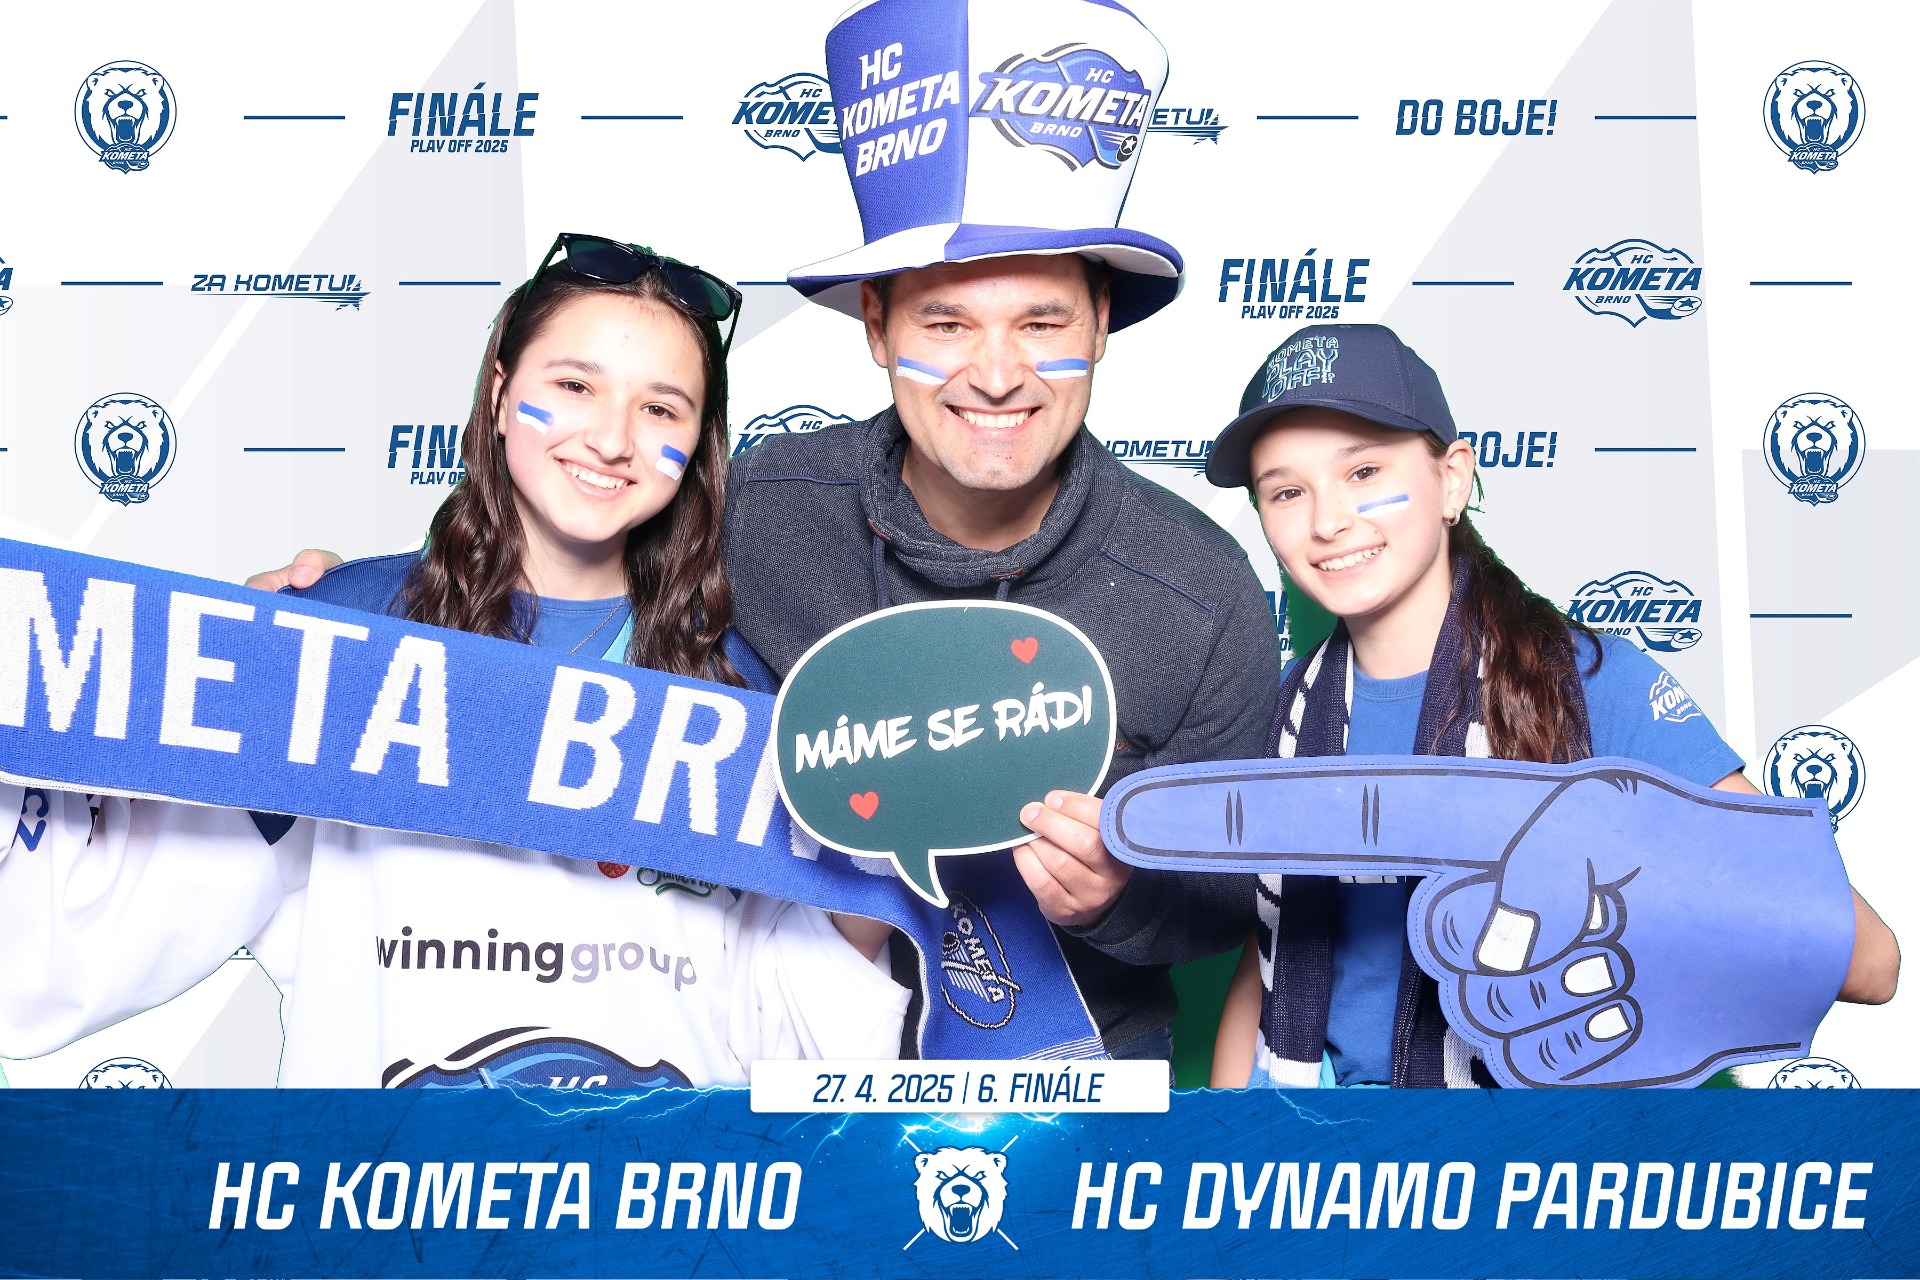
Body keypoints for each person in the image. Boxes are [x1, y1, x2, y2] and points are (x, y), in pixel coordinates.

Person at [255, 0, 1277, 1063]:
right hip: (775, 1085)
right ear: (875, 325)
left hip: (1068, 1087)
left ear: (1102, 324)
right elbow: (564, 545)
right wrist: (351, 600)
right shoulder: (759, 507)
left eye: (1042, 323)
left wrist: (1119, 893)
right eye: (945, 323)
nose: (995, 372)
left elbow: (1235, 901)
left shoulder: (1200, 593)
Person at [0, 233, 908, 1088]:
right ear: (502, 394)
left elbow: (785, 1039)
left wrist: (870, 872)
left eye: (660, 409)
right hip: (386, 1193)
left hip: (644, 1195)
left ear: (697, 446)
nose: (612, 439)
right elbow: (77, 946)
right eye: (575, 385)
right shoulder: (342, 637)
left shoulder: (738, 690)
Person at [1199, 323, 1899, 1089]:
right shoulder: (1290, 713)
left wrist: (1623, 902)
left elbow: (1869, 962)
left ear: (1453, 480)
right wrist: (1228, 1136)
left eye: (1364, 471)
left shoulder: (1590, 685)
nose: (1328, 520)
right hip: (1331, 1150)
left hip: (1539, 1147)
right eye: (1287, 491)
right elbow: (1270, 956)